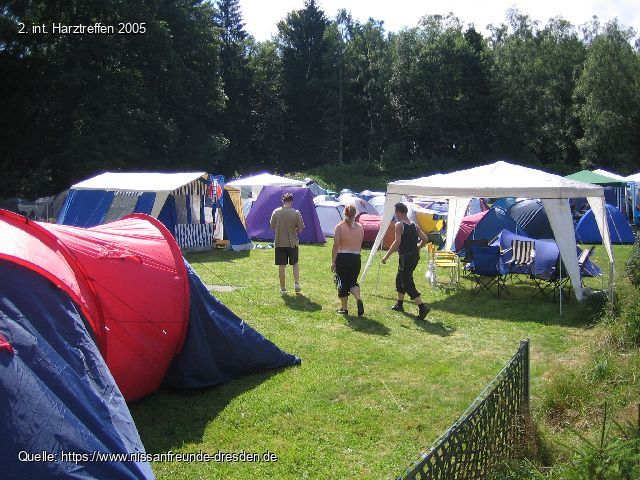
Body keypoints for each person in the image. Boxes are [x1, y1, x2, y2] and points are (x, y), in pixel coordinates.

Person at [381, 203, 430, 320]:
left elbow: (397, 242)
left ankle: (422, 307)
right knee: (400, 278)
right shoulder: (414, 225)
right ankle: (400, 304)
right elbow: (425, 239)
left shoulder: (399, 224)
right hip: (414, 256)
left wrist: (386, 256)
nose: (395, 215)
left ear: (398, 212)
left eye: (396, 212)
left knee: (407, 282)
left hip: (406, 258)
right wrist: (417, 247)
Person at [331, 205, 365, 316]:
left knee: (342, 282)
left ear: (344, 213)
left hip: (343, 256)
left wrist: (333, 261)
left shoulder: (340, 227)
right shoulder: (360, 227)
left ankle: (344, 309)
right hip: (356, 257)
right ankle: (358, 299)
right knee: (352, 281)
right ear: (355, 214)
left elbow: (336, 246)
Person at [270, 192, 305, 294]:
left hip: (280, 242)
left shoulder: (276, 212)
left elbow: (272, 226)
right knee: (295, 263)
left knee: (282, 266)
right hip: (292, 242)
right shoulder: (296, 213)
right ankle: (296, 283)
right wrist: (294, 231)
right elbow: (300, 229)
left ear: (283, 200)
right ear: (292, 201)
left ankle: (283, 288)